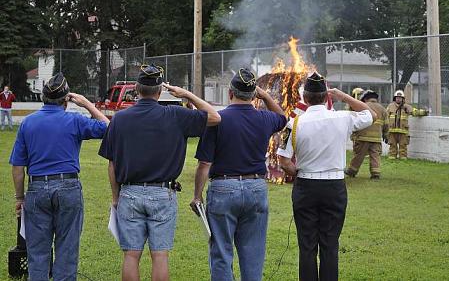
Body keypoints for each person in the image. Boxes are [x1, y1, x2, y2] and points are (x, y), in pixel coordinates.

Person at [98, 64, 221, 281]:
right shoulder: (175, 115)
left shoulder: (120, 119)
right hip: (163, 193)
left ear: (136, 88)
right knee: (160, 256)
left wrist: (116, 198)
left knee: (131, 255)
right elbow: (214, 117)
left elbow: (112, 165)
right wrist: (186, 94)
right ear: (159, 91)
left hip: (130, 192)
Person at [9, 73, 109, 280]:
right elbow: (108, 127)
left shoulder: (28, 123)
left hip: (37, 189)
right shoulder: (74, 120)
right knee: (67, 249)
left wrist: (20, 198)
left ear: (43, 98)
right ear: (66, 99)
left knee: (37, 253)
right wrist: (86, 104)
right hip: (69, 187)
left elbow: (18, 167)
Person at [277, 72, 375, 281]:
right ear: (326, 96)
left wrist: (298, 173)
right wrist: (344, 96)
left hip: (306, 186)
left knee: (307, 245)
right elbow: (369, 115)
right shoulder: (342, 117)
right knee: (330, 245)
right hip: (334, 186)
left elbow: (284, 162)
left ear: (305, 97)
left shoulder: (293, 123)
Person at [192, 68, 287, 281]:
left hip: (223, 187)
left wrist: (197, 195)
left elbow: (205, 163)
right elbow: (282, 118)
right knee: (253, 253)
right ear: (254, 95)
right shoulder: (264, 118)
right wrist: (265, 96)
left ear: (230, 92)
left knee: (221, 251)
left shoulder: (217, 120)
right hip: (256, 187)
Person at [345, 90, 389, 179]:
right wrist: (386, 135)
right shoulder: (383, 109)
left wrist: (353, 134)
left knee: (359, 155)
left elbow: (357, 121)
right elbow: (386, 124)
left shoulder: (363, 107)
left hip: (363, 136)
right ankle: (375, 174)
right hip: (376, 138)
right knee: (375, 155)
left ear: (365, 98)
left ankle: (352, 171)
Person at [386, 90, 427, 160]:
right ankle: (392, 157)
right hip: (392, 130)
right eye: (397, 97)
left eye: (400, 98)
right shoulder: (390, 106)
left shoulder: (406, 107)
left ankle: (403, 158)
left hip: (403, 131)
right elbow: (385, 116)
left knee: (403, 145)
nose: (398, 99)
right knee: (392, 145)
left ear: (403, 99)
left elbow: (415, 112)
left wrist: (424, 112)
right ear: (394, 98)